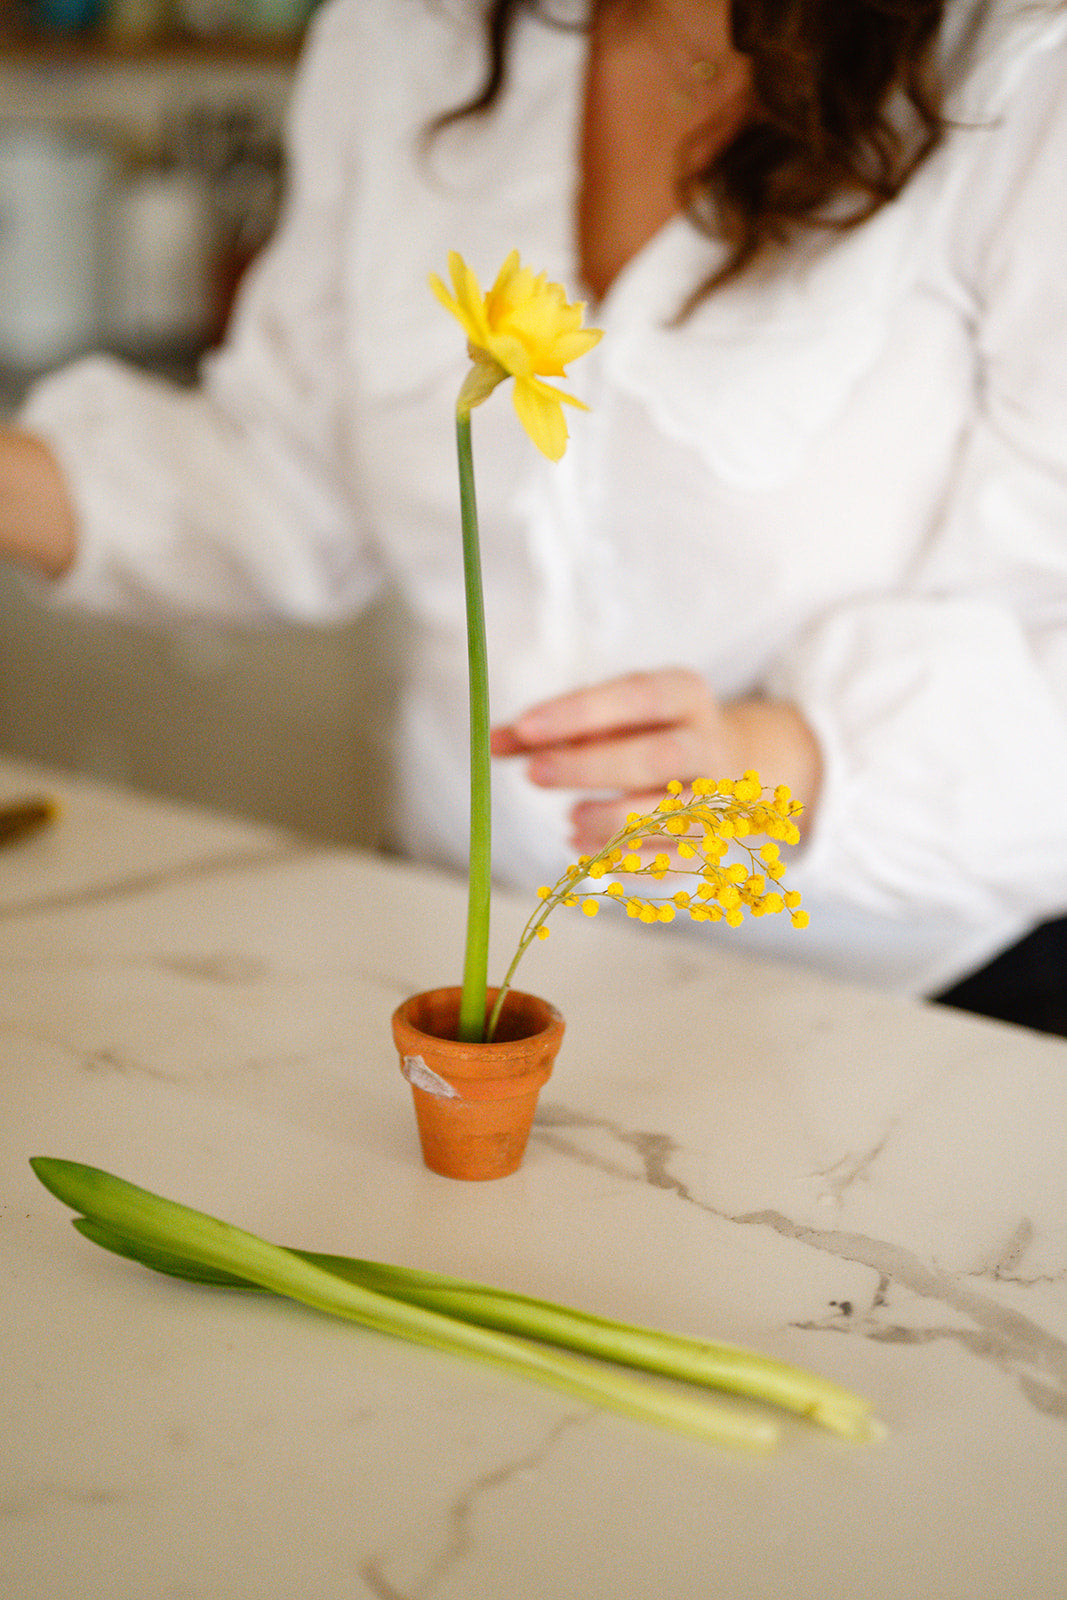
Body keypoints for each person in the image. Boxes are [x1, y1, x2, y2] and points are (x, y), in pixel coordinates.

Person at [2, 0, 1067, 1032]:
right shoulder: (404, 37)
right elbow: (287, 474)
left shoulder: (1020, 70)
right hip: (458, 947)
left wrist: (792, 761)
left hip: (908, 1012)